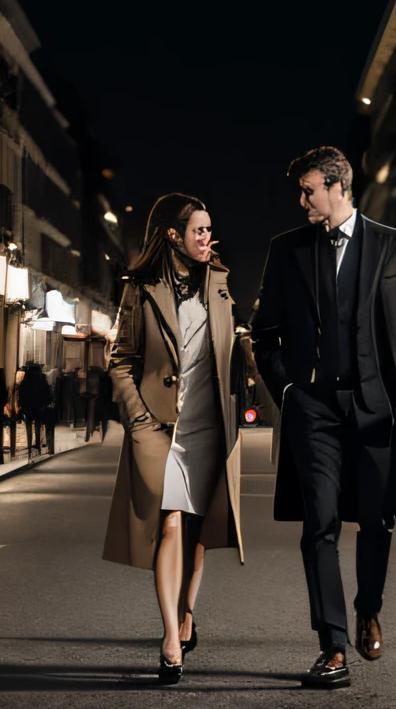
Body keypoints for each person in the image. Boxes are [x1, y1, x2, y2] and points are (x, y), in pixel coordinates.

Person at [251, 146, 396, 689]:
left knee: (377, 521)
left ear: (338, 187)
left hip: (376, 411)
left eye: (309, 190)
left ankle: (368, 609)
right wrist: (288, 390)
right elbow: (263, 335)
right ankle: (332, 646)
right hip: (314, 412)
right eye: (301, 192)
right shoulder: (286, 250)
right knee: (320, 526)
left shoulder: (393, 245)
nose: (302, 200)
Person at [103, 192, 243, 686]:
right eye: (198, 230)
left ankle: (187, 613)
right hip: (161, 427)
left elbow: (232, 347)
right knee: (170, 527)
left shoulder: (219, 284)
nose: (207, 238)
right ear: (173, 235)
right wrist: (138, 418)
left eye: (209, 230)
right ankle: (169, 637)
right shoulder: (140, 289)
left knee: (199, 535)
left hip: (210, 426)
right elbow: (119, 359)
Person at [19, 363, 52, 453]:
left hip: (28, 406)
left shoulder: (25, 381)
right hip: (38, 406)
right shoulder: (42, 381)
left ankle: (29, 443)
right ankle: (37, 443)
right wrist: (45, 404)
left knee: (29, 426)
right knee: (38, 424)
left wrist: (22, 406)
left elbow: (21, 395)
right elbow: (47, 394)